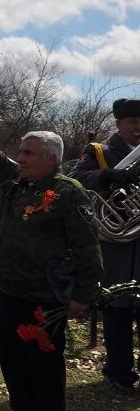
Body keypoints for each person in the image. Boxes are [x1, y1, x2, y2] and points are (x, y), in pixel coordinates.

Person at [0, 79, 102, 411]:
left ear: (51, 159)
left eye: (28, 153)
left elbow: (88, 248)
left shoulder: (66, 193)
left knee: (43, 364)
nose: (21, 158)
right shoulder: (14, 183)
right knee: (13, 362)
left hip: (46, 298)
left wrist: (82, 295)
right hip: (11, 290)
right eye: (21, 152)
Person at [70, 98, 140, 391]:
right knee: (118, 306)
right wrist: (109, 175)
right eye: (133, 122)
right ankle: (119, 372)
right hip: (117, 243)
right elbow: (75, 179)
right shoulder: (101, 152)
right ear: (119, 124)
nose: (139, 128)